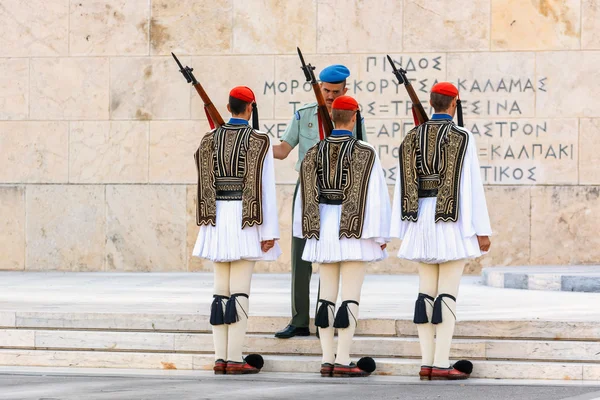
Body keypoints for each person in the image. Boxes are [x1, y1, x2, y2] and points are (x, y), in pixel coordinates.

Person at [390, 82, 492, 381]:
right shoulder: (462, 137)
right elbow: (472, 185)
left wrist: (401, 227)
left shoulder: (411, 136)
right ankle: (441, 362)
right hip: (451, 222)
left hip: (421, 222)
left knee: (425, 294)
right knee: (447, 294)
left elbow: (403, 185)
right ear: (454, 103)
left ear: (431, 103)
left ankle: (426, 362)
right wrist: (482, 230)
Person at [293, 95, 389, 377]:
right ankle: (343, 359)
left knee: (326, 296)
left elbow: (305, 196)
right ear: (355, 117)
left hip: (323, 231)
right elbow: (376, 196)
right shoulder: (365, 151)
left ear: (333, 117)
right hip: (354, 231)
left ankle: (326, 359)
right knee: (350, 297)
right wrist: (380, 234)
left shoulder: (313, 152)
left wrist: (307, 232)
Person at [273, 65, 366, 339]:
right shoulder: (303, 115)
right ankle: (299, 319)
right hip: (309, 189)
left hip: (342, 192)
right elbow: (282, 150)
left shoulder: (352, 116)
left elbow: (361, 153)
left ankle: (326, 319)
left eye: (335, 92)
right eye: (325, 90)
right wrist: (253, 143)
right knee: (301, 255)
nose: (329, 95)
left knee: (335, 255)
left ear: (344, 90)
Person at [192, 86, 281, 375]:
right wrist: (268, 231)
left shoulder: (208, 140)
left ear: (228, 108)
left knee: (220, 292)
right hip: (245, 220)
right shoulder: (259, 141)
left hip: (216, 220)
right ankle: (233, 357)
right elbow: (266, 188)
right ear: (250, 108)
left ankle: (221, 358)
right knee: (239, 292)